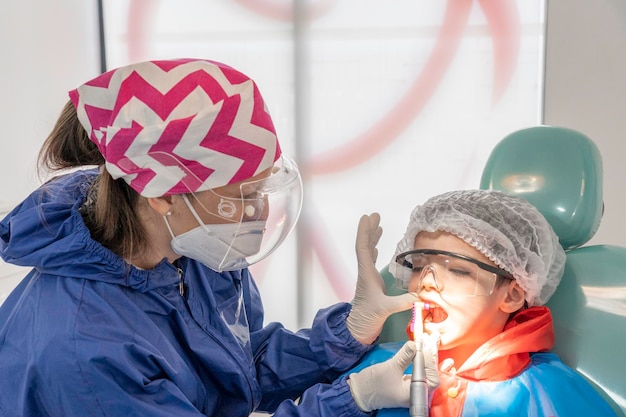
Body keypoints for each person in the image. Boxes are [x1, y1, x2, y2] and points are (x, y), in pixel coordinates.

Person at [0, 58, 419, 417]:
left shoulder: (189, 251)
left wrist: (350, 330)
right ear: (163, 195)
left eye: (263, 190)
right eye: (245, 195)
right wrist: (352, 400)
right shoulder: (85, 349)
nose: (259, 213)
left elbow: (238, 369)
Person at [346, 189, 619, 416]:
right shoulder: (373, 376)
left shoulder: (551, 395)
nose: (426, 282)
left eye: (457, 270)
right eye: (418, 267)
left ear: (512, 295)